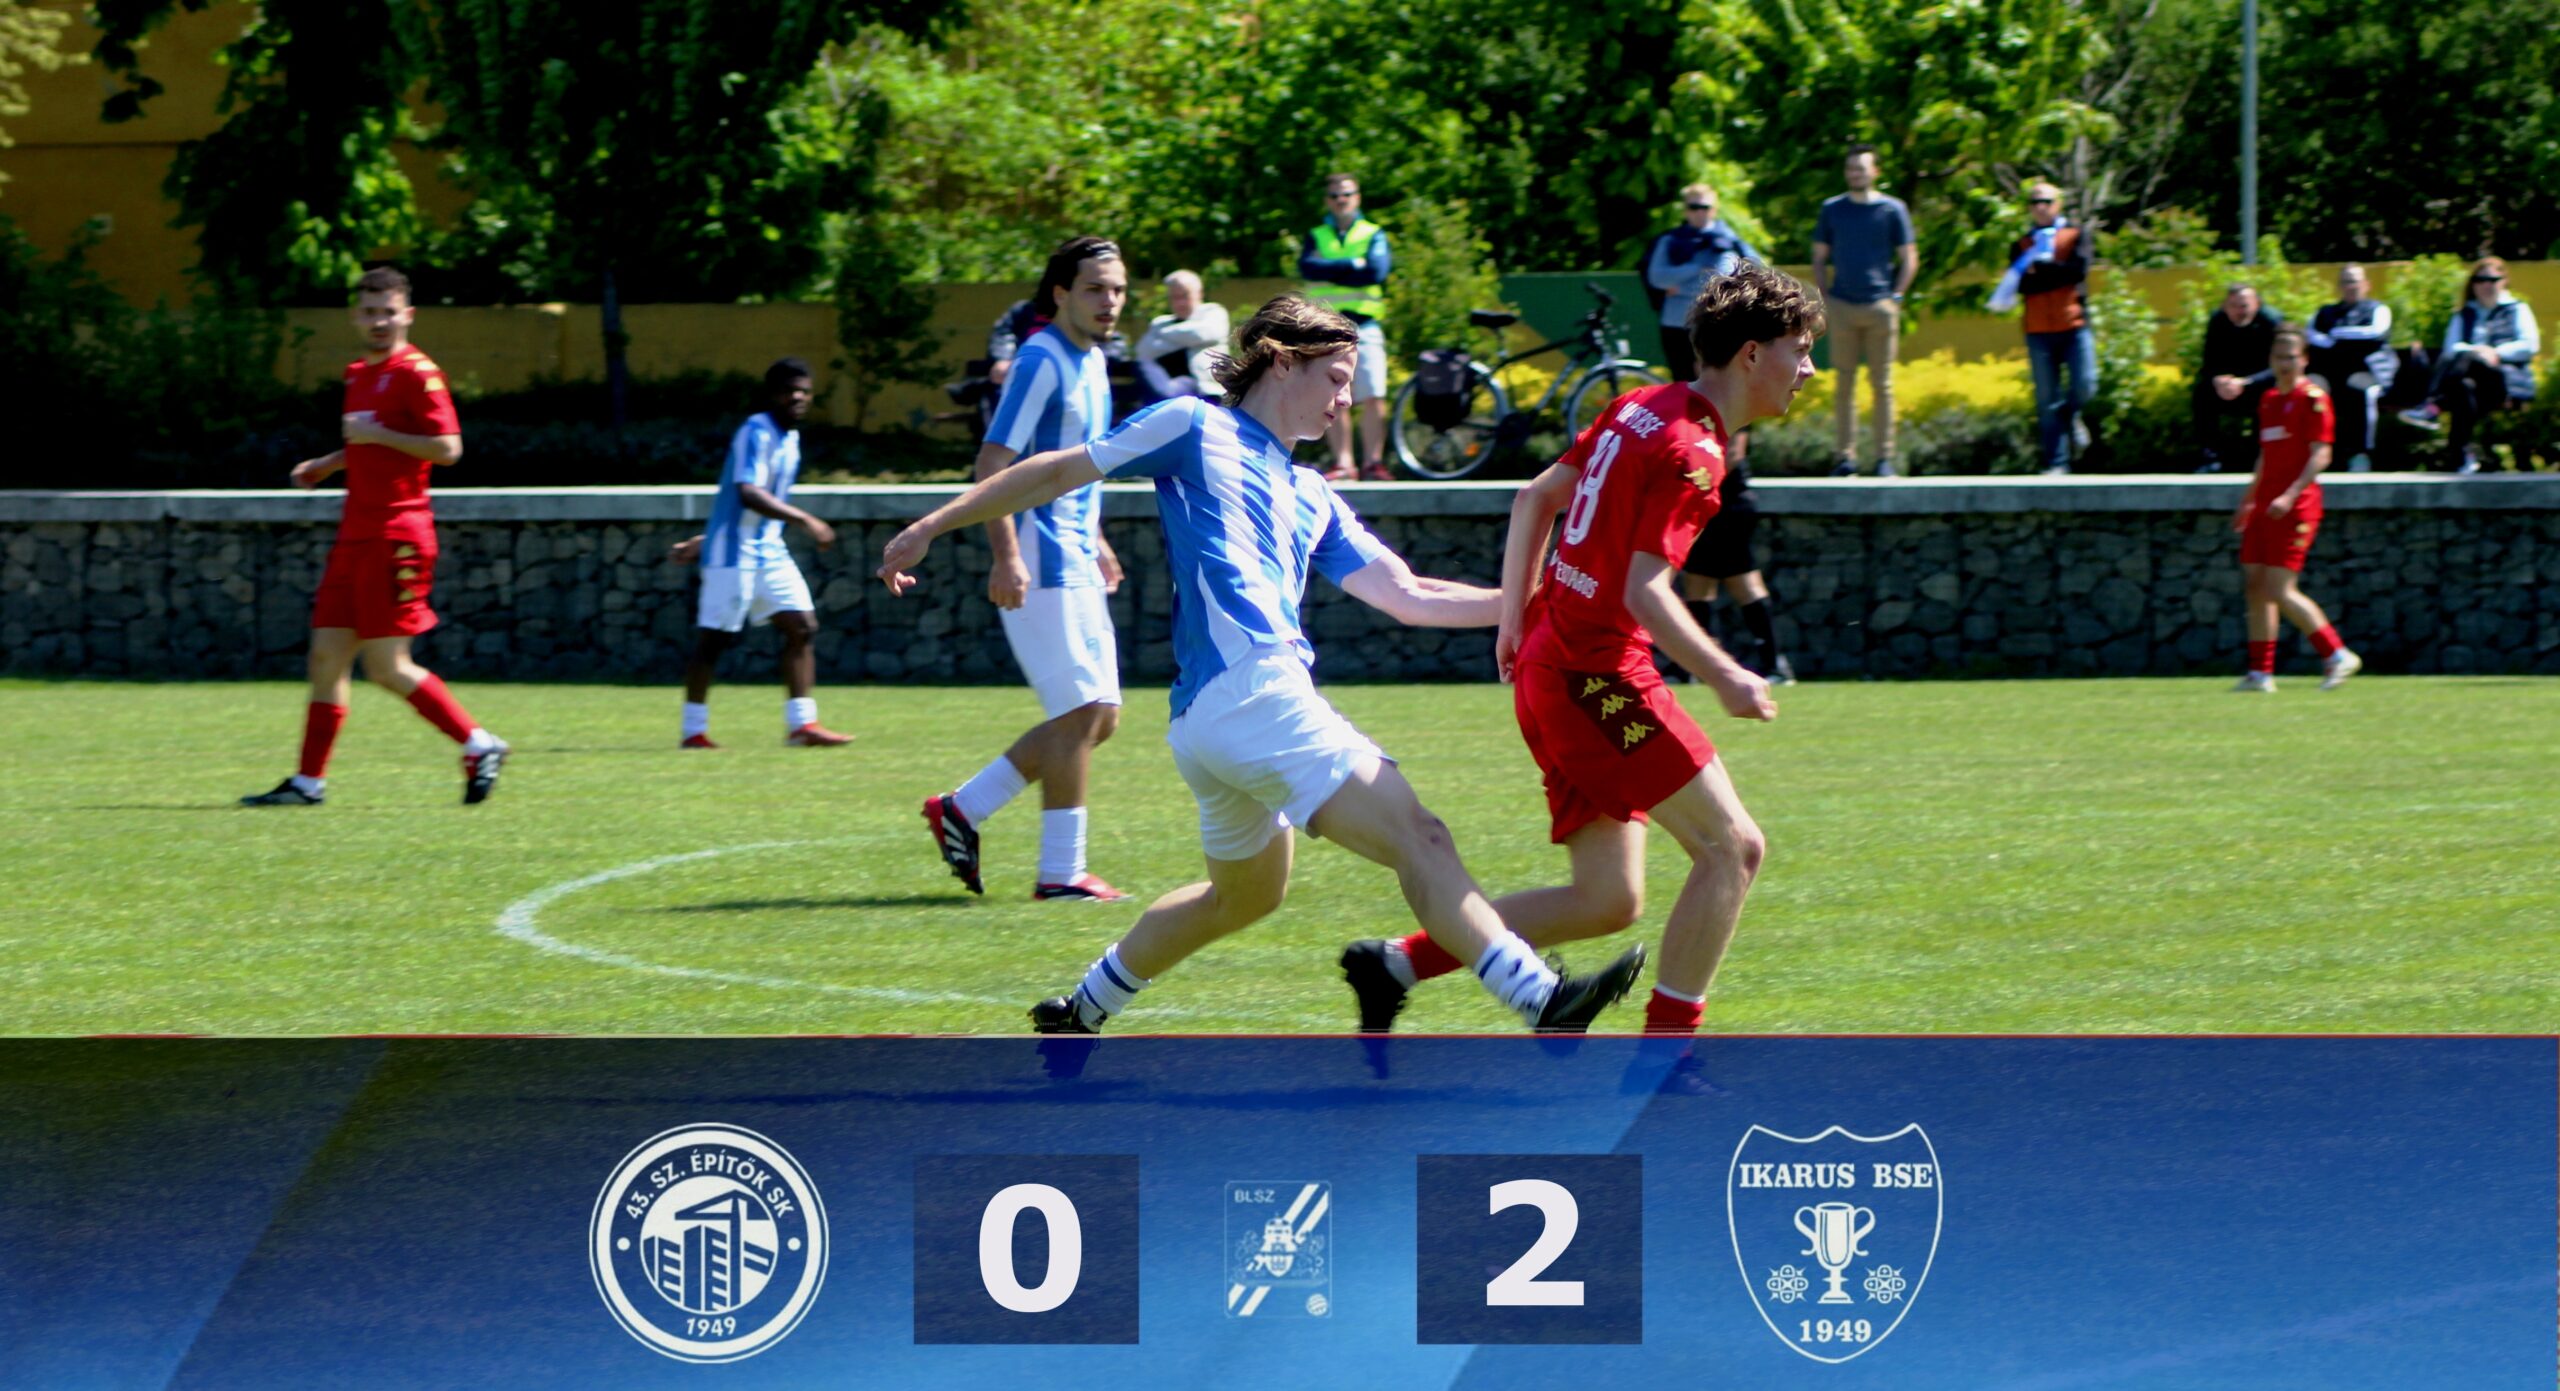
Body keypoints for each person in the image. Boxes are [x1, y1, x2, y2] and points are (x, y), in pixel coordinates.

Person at [877, 294, 1648, 1034]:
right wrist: (932, 524)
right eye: (1336, 379)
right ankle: (1539, 996)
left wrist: (1541, 602)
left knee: (1242, 897)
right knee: (1421, 837)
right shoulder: (1192, 423)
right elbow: (1055, 470)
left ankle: (1082, 1008)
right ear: (1281, 361)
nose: (1345, 400)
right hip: (1254, 692)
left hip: (1211, 720)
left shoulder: (1312, 490)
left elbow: (1410, 593)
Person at [1338, 263, 1818, 1082]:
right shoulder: (1696, 451)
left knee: (1607, 899)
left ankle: (1395, 964)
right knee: (1733, 848)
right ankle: (1664, 1058)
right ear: (1750, 354)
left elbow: (1534, 497)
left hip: (1551, 667)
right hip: (1599, 678)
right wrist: (1726, 672)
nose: (1806, 369)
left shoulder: (1642, 405)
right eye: (1798, 350)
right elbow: (1643, 589)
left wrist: (1515, 620)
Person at [242, 267, 510, 808]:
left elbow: (448, 448)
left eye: (389, 312)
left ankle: (478, 743)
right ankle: (308, 783)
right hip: (356, 532)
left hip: (397, 534)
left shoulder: (418, 373)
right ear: (355, 316)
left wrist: (376, 434)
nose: (379, 322)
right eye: (370, 312)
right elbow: (368, 444)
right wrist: (328, 463)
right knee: (326, 658)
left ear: (408, 314)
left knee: (387, 667)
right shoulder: (359, 373)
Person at [922, 236, 1132, 903]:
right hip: (1040, 555)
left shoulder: (1094, 361)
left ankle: (962, 808)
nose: (1109, 301)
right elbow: (993, 465)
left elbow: (1074, 468)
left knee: (1102, 716)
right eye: (1095, 289)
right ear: (1061, 294)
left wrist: (1096, 537)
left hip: (1075, 550)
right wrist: (1006, 554)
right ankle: (1061, 873)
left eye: (1118, 289)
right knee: (1079, 712)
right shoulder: (1040, 358)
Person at [673, 359, 848, 749]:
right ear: (772, 394)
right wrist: (805, 519)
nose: (798, 397)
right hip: (734, 553)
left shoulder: (791, 438)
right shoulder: (755, 431)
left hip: (769, 551)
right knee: (715, 639)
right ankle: (693, 731)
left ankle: (802, 726)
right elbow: (747, 493)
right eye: (789, 391)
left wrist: (704, 538)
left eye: (804, 391)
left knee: (802, 626)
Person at [2231, 328, 2360, 694]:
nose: (2284, 364)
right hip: (2266, 505)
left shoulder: (2313, 400)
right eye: (2278, 357)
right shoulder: (2270, 399)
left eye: (2291, 357)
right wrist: (2249, 499)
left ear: (2304, 360)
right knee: (2256, 585)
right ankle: (2260, 674)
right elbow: (2266, 455)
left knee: (2280, 588)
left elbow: (2321, 454)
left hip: (2296, 506)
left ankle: (2336, 654)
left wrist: (2290, 495)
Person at [1810, 144, 1916, 477]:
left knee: (1882, 385)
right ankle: (1846, 459)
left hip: (1880, 306)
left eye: (1861, 168)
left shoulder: (1892, 209)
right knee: (1843, 384)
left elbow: (1909, 257)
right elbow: (1818, 257)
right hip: (1842, 305)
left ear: (1875, 171)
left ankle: (1885, 458)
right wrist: (1826, 297)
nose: (1855, 173)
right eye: (1851, 168)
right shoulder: (1832, 209)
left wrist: (1896, 296)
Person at [1989, 182, 2095, 476]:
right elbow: (2022, 284)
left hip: (2073, 323)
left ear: (2057, 204)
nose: (2040, 207)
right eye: (2034, 202)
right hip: (2037, 329)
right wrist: (2053, 274)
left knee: (2086, 383)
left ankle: (2070, 414)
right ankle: (2056, 462)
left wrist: (2043, 271)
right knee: (2046, 399)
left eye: (2046, 201)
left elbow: (2078, 271)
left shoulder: (2075, 235)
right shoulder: (2021, 244)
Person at [2399, 257, 2540, 473]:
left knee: (2467, 357)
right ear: (2472, 284)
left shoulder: (2517, 309)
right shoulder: (2463, 314)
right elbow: (2451, 349)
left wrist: (2495, 352)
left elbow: (2530, 345)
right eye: (2481, 280)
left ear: (2503, 281)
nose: (2487, 285)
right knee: (2463, 387)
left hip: (2504, 379)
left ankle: (2432, 405)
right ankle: (2460, 456)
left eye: (2492, 280)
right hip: (2469, 381)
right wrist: (2475, 351)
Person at [1299, 173, 1394, 482]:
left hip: (1364, 324)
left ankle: (1373, 463)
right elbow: (1307, 268)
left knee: (1374, 394)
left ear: (1358, 197)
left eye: (1347, 194)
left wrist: (1330, 269)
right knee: (1333, 394)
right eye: (1335, 196)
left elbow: (1376, 272)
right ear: (1327, 201)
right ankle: (1344, 464)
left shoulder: (1373, 233)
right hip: (1326, 327)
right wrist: (1354, 264)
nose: (1341, 200)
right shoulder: (1316, 234)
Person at [1645, 182, 1759, 382]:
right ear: (1685, 210)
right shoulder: (1671, 240)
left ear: (1714, 209)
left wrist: (1680, 287)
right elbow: (1657, 277)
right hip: (1675, 324)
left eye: (1704, 207)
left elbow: (1721, 279)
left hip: (1714, 322)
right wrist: (1696, 268)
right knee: (1682, 383)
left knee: (1714, 383)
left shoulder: (1727, 240)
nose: (1699, 212)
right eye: (1693, 207)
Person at [2304, 264, 2395, 472]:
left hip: (2366, 370)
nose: (2350, 286)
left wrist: (2337, 335)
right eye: (2345, 282)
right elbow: (2311, 335)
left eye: (2354, 281)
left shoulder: (2377, 309)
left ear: (2366, 284)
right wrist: (2336, 339)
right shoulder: (2325, 312)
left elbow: (2376, 333)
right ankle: (2312, 451)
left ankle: (2361, 453)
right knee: (2311, 392)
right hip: (2328, 370)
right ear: (2339, 286)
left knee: (2360, 391)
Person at [2195, 284, 2284, 473]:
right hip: (2228, 383)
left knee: (2271, 395)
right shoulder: (2218, 321)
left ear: (2257, 304)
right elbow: (2209, 361)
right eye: (2233, 306)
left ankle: (2261, 457)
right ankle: (2210, 457)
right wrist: (2218, 380)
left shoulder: (2271, 322)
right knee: (2202, 393)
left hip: (2260, 381)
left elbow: (2278, 367)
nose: (2239, 312)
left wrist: (2246, 382)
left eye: (2244, 306)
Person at [1133, 270, 1231, 403]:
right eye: (1175, 297)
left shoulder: (1213, 312)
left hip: (1202, 387)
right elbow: (1143, 350)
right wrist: (1186, 339)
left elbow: (1202, 334)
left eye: (1185, 295)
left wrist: (1164, 335)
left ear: (1199, 294)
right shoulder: (1160, 323)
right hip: (1164, 382)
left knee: (1165, 397)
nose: (1180, 303)